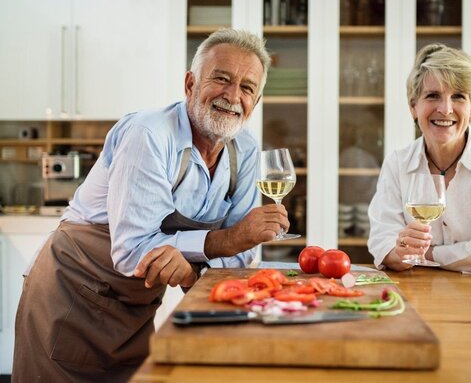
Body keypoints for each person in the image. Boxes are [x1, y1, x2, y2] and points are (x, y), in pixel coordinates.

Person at [12, 28, 288, 382]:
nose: (233, 96)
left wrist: (196, 270)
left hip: (136, 306)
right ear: (190, 84)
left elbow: (240, 255)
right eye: (221, 79)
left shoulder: (245, 149)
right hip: (72, 294)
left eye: (247, 88)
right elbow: (133, 251)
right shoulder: (150, 135)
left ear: (256, 101)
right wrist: (226, 241)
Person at [367, 43, 471, 276]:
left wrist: (424, 254)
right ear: (414, 107)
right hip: (419, 290)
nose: (445, 109)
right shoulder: (398, 163)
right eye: (433, 95)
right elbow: (382, 242)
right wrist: (400, 252)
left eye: (458, 97)